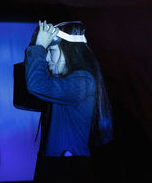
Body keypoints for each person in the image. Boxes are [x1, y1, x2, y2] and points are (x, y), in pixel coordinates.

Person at [24, 20, 112, 183]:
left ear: (69, 50)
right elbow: (24, 97)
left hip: (69, 168)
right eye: (47, 52)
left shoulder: (83, 80)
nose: (47, 59)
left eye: (52, 51)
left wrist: (40, 48)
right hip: (56, 165)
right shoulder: (63, 83)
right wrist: (35, 45)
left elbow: (35, 84)